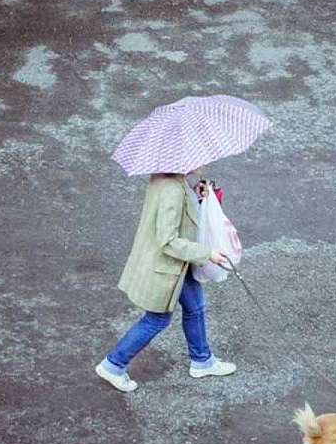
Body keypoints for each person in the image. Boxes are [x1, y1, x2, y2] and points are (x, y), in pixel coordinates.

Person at [95, 167, 236, 392]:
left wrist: (193, 192)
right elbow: (168, 240)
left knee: (195, 307)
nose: (205, 163)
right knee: (156, 320)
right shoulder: (172, 190)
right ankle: (113, 365)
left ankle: (202, 360)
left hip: (176, 266)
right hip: (166, 268)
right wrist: (207, 253)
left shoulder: (170, 178)